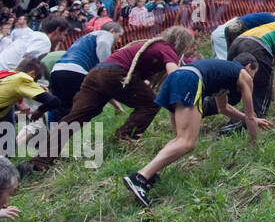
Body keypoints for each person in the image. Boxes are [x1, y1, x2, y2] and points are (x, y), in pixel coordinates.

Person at [24, 27, 196, 173]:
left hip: (95, 74)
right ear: (181, 41)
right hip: (113, 74)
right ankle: (124, 137)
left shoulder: (150, 45)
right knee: (151, 103)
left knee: (74, 118)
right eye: (190, 45)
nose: (192, 48)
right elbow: (175, 73)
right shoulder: (165, 47)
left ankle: (40, 161)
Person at [122, 55, 271, 208]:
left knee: (180, 140)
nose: (253, 78)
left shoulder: (224, 74)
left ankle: (151, 175)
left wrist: (251, 120)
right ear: (248, 67)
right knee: (186, 143)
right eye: (255, 73)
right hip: (190, 80)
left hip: (176, 77)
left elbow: (223, 108)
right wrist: (255, 146)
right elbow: (251, 115)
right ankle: (140, 178)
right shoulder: (243, 75)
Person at [47, 22, 123, 112]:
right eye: (120, 36)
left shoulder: (87, 39)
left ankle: (48, 126)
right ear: (112, 31)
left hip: (57, 72)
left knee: (60, 109)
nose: (119, 41)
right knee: (90, 108)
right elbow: (103, 43)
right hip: (75, 72)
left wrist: (115, 104)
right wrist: (107, 67)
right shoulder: (105, 35)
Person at [211, 11, 275, 61]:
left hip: (220, 32)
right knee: (225, 62)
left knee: (217, 60)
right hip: (223, 35)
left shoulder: (269, 17)